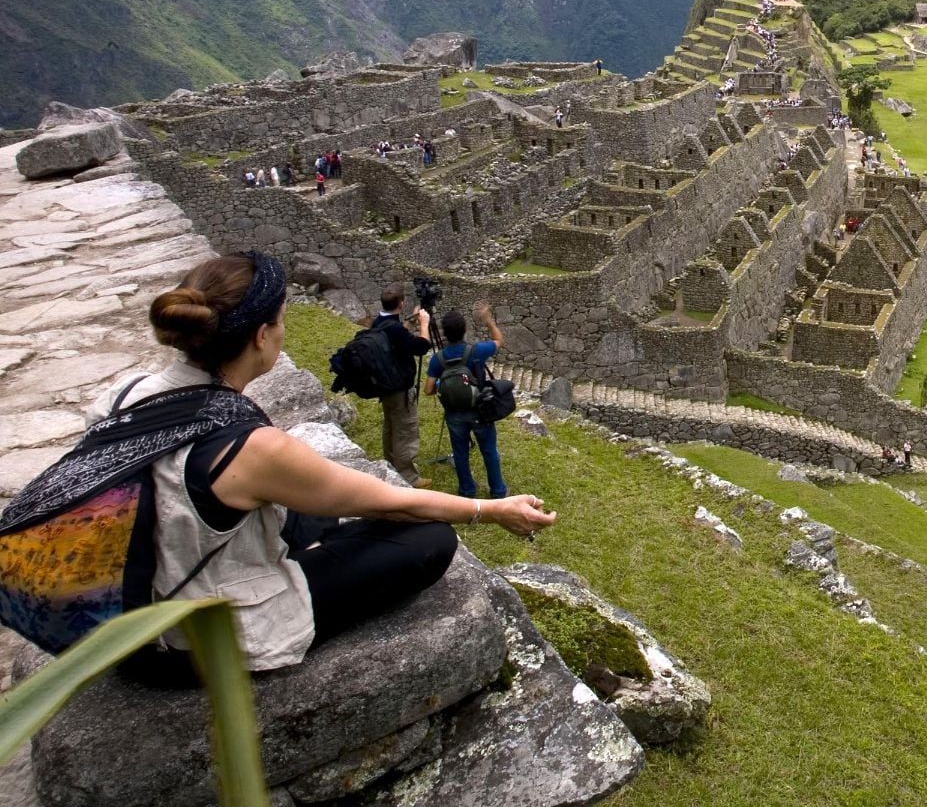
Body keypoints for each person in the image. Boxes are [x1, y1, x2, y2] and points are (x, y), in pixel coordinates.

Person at [38, 252, 555, 683]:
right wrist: (490, 510)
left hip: (129, 602)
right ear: (262, 336)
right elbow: (390, 500)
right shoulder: (250, 449)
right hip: (190, 639)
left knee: (306, 516)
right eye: (282, 321)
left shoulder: (123, 395)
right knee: (429, 540)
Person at [425, 304, 509, 499]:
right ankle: (498, 491)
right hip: (480, 409)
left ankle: (467, 490)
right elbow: (498, 340)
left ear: (445, 333)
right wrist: (488, 321)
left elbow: (428, 389)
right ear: (464, 330)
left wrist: (443, 383)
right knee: (489, 450)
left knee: (460, 452)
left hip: (454, 413)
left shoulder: (438, 359)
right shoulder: (476, 351)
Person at [371, 285, 434, 487]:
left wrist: (411, 320)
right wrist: (424, 324)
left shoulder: (378, 323)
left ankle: (390, 464)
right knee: (405, 429)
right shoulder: (395, 329)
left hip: (384, 386)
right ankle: (409, 476)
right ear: (401, 303)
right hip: (399, 388)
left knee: (390, 426)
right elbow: (422, 347)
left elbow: (398, 338)